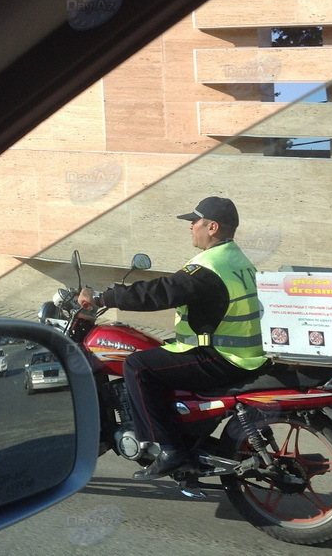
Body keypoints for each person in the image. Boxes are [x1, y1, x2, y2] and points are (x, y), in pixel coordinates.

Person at [77, 196, 269, 481]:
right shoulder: (237, 260)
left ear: (212, 227)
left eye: (195, 221)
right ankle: (181, 431)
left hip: (222, 357)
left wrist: (105, 297)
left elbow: (161, 292)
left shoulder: (209, 266)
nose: (190, 226)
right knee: (158, 352)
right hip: (245, 354)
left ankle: (168, 449)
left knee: (137, 366)